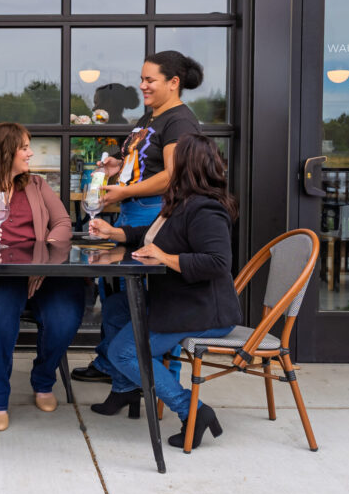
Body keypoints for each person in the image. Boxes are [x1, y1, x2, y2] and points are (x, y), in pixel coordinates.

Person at [88, 133, 239, 450]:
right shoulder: (180, 203)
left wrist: (165, 258)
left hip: (201, 310)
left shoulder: (206, 209)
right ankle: (126, 388)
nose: (165, 169)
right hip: (177, 301)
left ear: (187, 166)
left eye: (172, 162)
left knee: (125, 352)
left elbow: (217, 262)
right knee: (116, 307)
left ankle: (193, 411)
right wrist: (112, 231)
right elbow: (151, 233)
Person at [73, 50, 204, 385]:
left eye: (150, 80)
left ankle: (154, 382)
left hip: (155, 215)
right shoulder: (150, 118)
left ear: (173, 83)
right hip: (133, 212)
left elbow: (174, 175)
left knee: (149, 300)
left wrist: (125, 192)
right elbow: (140, 164)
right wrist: (117, 167)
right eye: (142, 78)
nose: (142, 85)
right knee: (118, 296)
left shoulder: (180, 121)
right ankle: (117, 370)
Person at [0, 122, 84, 432]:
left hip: (41, 274)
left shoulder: (36, 185)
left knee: (65, 316)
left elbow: (62, 223)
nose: (30, 153)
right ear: (6, 152)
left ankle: (43, 378)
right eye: (24, 147)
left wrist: (42, 260)